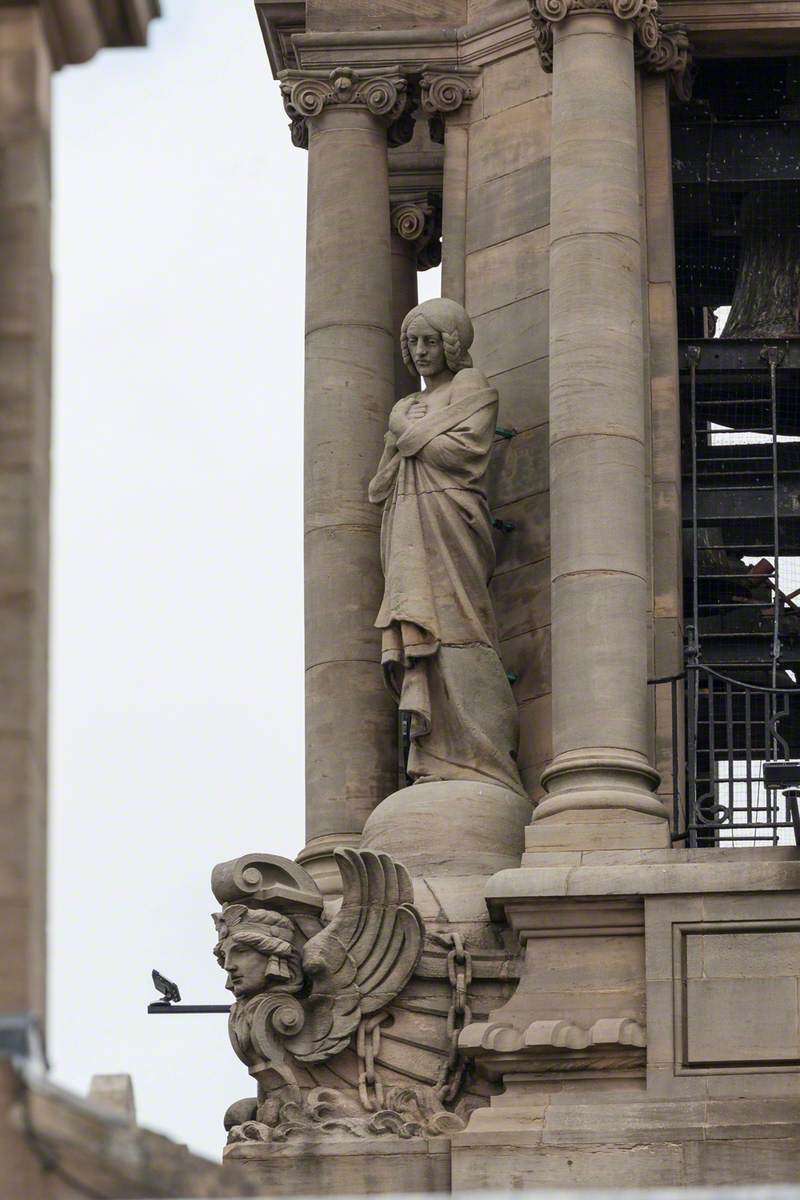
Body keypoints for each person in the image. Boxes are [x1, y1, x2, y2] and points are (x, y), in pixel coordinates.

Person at [368, 298, 524, 796]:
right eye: (413, 342)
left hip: (454, 516)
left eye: (430, 341)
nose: (420, 351)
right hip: (409, 519)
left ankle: (483, 756)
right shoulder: (403, 406)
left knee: (462, 625)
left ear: (451, 344)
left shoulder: (469, 387)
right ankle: (436, 754)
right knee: (422, 637)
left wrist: (407, 432)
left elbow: (463, 451)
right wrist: (408, 435)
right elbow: (378, 486)